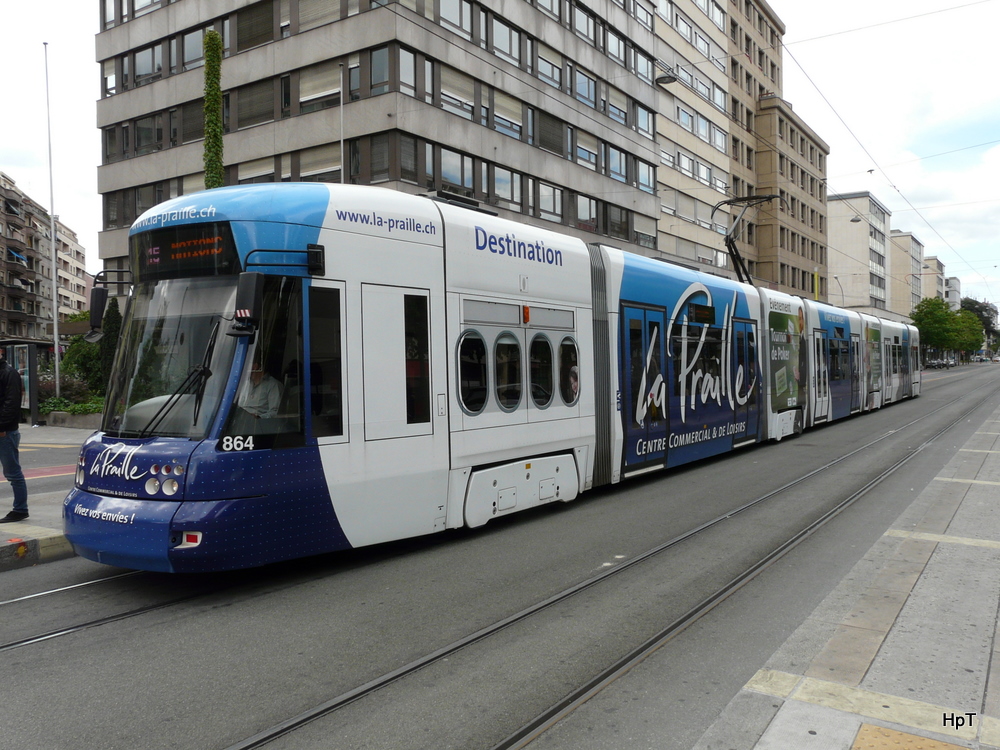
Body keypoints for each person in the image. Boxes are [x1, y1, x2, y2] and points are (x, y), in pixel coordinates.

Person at [0, 349, 27, 523]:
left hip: (5, 432)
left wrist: (1, 427)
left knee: (12, 473)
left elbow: (12, 403)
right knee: (12, 472)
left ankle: (20, 509)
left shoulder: (9, 373)